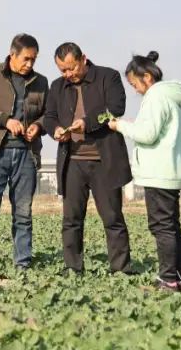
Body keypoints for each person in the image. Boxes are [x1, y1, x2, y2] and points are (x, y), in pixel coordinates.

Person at [43, 43, 133, 274]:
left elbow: (116, 108)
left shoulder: (108, 77)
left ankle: (121, 269)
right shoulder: (57, 86)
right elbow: (49, 117)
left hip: (105, 160)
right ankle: (73, 267)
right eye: (62, 70)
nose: (68, 74)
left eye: (71, 68)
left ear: (83, 59)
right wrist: (55, 130)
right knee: (71, 219)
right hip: (72, 161)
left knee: (112, 217)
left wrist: (86, 123)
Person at [108, 51, 181, 292]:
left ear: (146, 77)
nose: (135, 89)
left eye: (134, 84)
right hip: (170, 170)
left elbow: (147, 134)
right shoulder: (170, 95)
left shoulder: (156, 96)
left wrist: (120, 125)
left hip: (158, 172)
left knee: (162, 227)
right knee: (172, 226)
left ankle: (168, 280)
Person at [0, 33, 48, 270]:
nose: (30, 64)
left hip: (27, 154)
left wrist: (38, 126)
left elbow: (48, 115)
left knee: (23, 212)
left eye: (34, 59)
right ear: (12, 54)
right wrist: (5, 120)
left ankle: (22, 261)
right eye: (26, 59)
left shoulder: (41, 82)